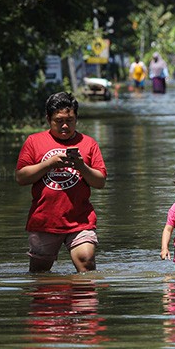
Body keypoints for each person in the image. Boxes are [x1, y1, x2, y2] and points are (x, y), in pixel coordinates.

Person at [15, 92, 107, 273]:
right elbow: (21, 177)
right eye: (59, 121)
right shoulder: (34, 141)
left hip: (80, 219)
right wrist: (49, 164)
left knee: (86, 262)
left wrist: (81, 166)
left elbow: (100, 181)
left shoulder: (89, 143)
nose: (65, 125)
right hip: (45, 220)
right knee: (40, 274)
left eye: (70, 120)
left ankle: (83, 299)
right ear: (48, 119)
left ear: (76, 119)